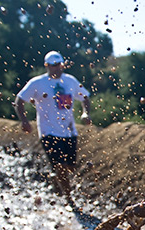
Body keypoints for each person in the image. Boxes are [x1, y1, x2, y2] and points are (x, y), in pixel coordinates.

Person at [14, 51, 91, 204]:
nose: (57, 68)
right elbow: (19, 100)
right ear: (47, 66)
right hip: (48, 131)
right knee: (60, 165)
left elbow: (85, 97)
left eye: (59, 65)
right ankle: (69, 198)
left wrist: (85, 113)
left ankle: (56, 183)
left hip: (69, 132)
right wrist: (24, 121)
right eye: (53, 65)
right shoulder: (38, 83)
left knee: (70, 167)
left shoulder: (70, 81)